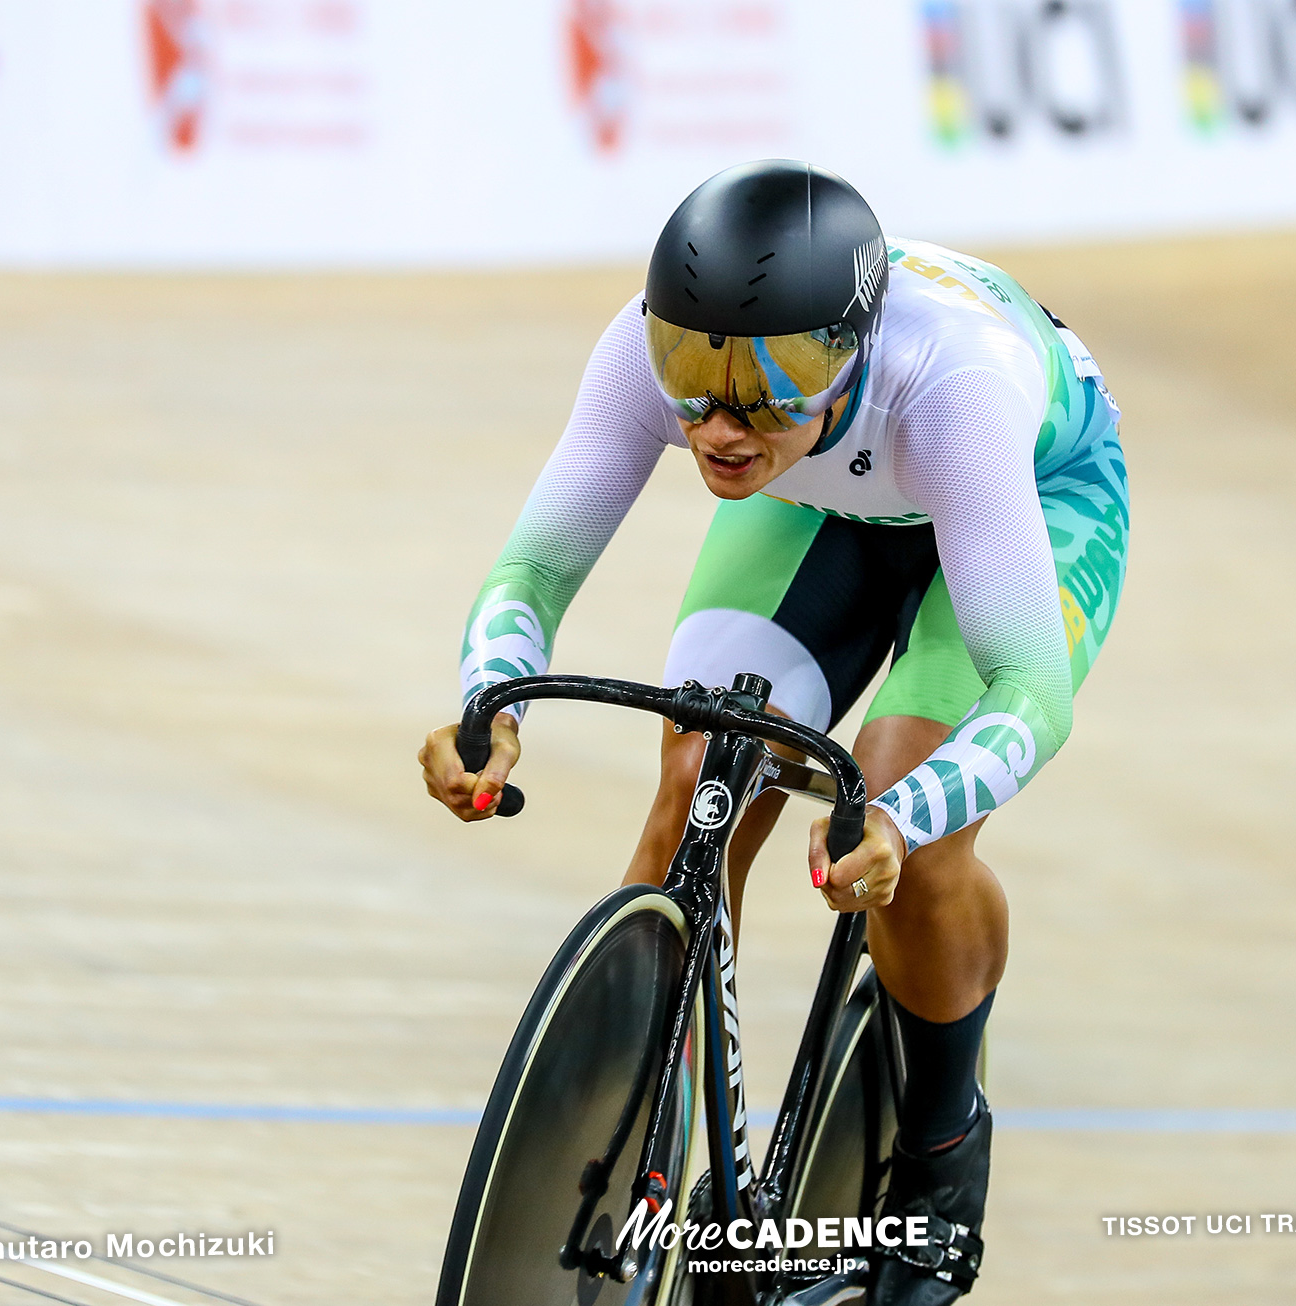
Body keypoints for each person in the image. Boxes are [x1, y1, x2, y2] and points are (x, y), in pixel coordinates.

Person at [420, 159, 1128, 1304]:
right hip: (829, 500)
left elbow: (1029, 697)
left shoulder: (950, 385)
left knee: (904, 809)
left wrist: (903, 818)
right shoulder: (672, 358)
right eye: (690, 380)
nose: (720, 421)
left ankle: (939, 1165)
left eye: (769, 383)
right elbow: (534, 570)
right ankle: (675, 1154)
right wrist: (489, 702)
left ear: (847, 350)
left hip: (1026, 494)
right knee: (702, 767)